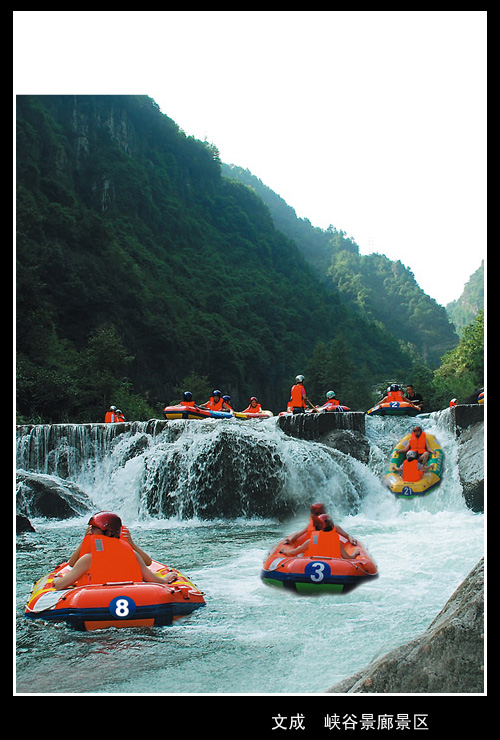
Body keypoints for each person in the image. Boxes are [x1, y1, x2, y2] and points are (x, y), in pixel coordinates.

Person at [54, 511, 178, 590]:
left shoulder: (88, 559)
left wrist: (57, 581)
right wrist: (166, 579)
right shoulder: (133, 554)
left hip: (96, 604)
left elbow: (60, 585)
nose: (90, 531)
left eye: (93, 528)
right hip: (135, 600)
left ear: (107, 532)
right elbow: (153, 580)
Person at [279, 514, 360, 559]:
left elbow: (294, 552)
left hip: (308, 568)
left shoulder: (310, 542)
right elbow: (348, 558)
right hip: (333, 569)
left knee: (300, 555)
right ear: (332, 527)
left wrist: (284, 551)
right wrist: (355, 553)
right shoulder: (338, 543)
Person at [282, 503, 357, 547]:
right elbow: (299, 534)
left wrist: (351, 539)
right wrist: (290, 540)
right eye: (316, 514)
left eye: (320, 513)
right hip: (312, 550)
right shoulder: (310, 526)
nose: (318, 516)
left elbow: (347, 536)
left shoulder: (333, 526)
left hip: (326, 551)